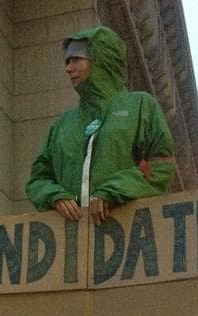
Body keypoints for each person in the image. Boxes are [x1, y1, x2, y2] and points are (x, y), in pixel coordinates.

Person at [26, 26, 176, 225]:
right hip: (71, 237)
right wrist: (54, 195)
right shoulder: (63, 123)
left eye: (76, 60)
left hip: (127, 231)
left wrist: (114, 191)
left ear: (101, 60)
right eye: (67, 61)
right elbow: (38, 179)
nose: (68, 68)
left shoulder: (140, 106)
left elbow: (161, 166)